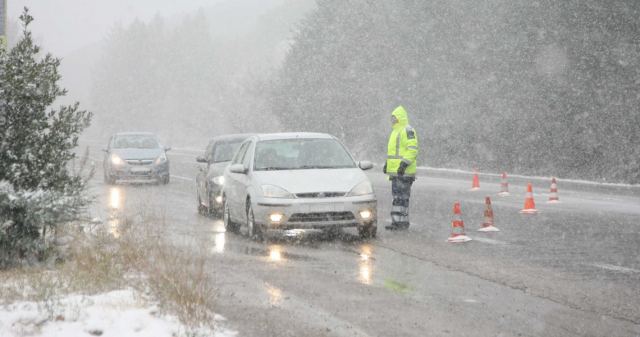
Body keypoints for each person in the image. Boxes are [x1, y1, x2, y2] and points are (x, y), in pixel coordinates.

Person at [383, 106, 419, 230]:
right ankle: (397, 222)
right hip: (396, 173)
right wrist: (388, 164)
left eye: (394, 118)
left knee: (402, 198)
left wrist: (404, 164)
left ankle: (402, 223)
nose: (392, 120)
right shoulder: (395, 132)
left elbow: (412, 150)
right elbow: (393, 153)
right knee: (397, 198)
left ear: (400, 118)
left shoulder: (407, 130)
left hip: (405, 172)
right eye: (392, 118)